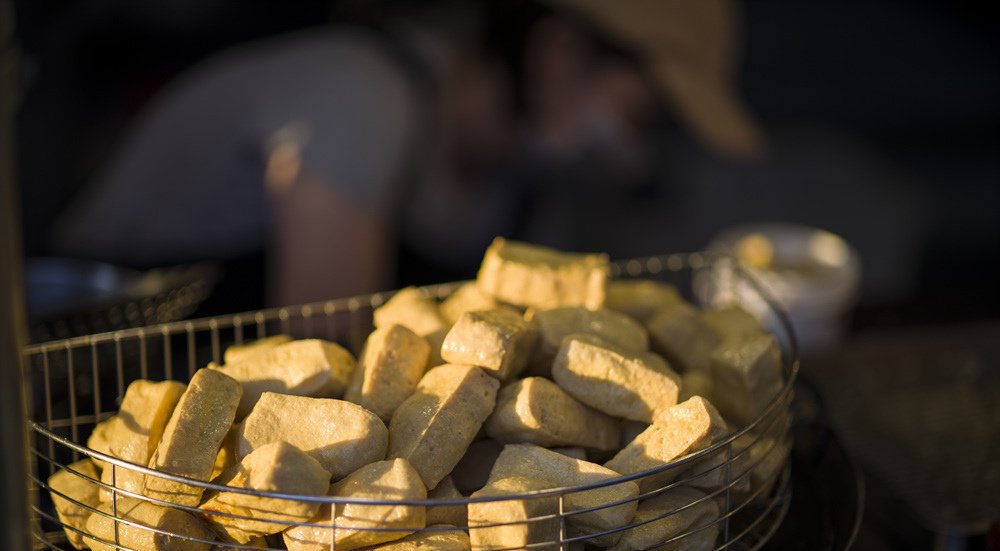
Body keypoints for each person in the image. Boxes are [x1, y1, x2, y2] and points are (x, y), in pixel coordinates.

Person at [48, 0, 770, 307]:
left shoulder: (522, 191)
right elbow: (323, 391)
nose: (637, 157)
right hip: (86, 387)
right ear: (560, 53)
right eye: (640, 117)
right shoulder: (358, 100)